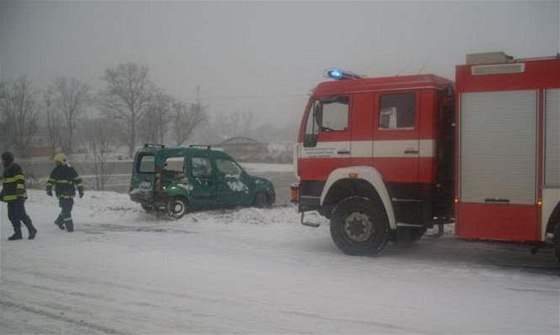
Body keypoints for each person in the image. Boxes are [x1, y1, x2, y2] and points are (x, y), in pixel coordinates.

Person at [0, 151, 37, 240]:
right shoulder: (6, 170)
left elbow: (20, 178)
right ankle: (18, 234)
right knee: (11, 215)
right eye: (3, 160)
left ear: (8, 159)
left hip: (18, 196)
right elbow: (6, 184)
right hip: (10, 197)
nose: (3, 162)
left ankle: (32, 229)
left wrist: (20, 189)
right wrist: (2, 194)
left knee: (20, 214)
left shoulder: (14, 166)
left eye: (4, 160)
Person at [46, 153, 84, 232]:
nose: (56, 163)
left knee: (68, 209)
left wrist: (81, 190)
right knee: (66, 210)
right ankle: (70, 228)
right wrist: (48, 189)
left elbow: (78, 180)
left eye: (58, 162)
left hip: (70, 193)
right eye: (56, 162)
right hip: (61, 193)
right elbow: (51, 180)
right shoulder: (55, 170)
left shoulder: (71, 169)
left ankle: (59, 221)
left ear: (62, 161)